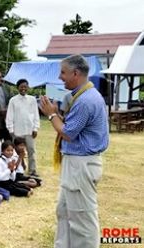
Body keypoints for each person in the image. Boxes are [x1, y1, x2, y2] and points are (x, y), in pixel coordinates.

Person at [39, 54, 109, 248]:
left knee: (82, 217)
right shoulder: (82, 96)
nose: (60, 77)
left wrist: (51, 113)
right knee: (64, 210)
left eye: (63, 72)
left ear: (75, 73)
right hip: (76, 163)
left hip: (81, 164)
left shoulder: (86, 100)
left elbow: (68, 133)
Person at [6, 78, 40, 176]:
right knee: (17, 152)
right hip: (17, 131)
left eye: (25, 87)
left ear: (28, 87)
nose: (23, 89)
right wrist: (11, 130)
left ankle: (32, 170)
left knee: (31, 151)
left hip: (29, 130)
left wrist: (35, 128)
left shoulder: (32, 99)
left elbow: (35, 115)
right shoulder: (13, 100)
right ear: (18, 88)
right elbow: (9, 116)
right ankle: (17, 170)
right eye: (21, 87)